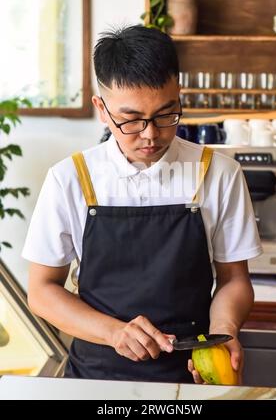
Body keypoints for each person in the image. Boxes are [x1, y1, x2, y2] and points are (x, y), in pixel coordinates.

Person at [23, 25, 262, 384]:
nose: (150, 134)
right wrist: (114, 333)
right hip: (96, 377)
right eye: (132, 119)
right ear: (101, 109)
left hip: (192, 375)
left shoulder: (219, 173)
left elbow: (234, 281)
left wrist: (223, 331)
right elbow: (42, 291)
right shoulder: (71, 179)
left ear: (179, 96)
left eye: (166, 114)